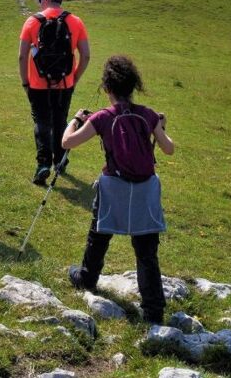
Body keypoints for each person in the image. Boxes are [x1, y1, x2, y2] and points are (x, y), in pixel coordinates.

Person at [61, 55, 175, 324]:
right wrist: (161, 126)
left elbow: (67, 142)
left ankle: (87, 278)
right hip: (146, 187)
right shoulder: (148, 114)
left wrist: (76, 120)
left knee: (99, 234)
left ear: (107, 88)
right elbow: (168, 148)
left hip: (114, 184)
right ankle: (154, 309)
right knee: (146, 250)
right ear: (133, 86)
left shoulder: (103, 117)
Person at [18, 0, 90, 185]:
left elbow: (22, 55)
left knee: (41, 121)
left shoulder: (33, 21)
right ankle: (60, 160)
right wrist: (74, 78)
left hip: (38, 84)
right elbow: (86, 55)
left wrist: (25, 82)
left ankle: (43, 163)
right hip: (65, 83)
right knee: (60, 120)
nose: (40, 2)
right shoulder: (75, 21)